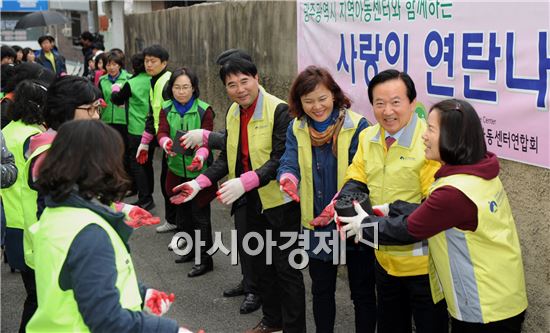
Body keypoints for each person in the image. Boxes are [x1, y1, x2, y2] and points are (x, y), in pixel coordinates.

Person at [338, 98, 528, 333]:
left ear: (452, 137)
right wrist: (391, 208)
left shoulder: (454, 192)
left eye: (431, 129)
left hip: (484, 306)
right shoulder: (477, 171)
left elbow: (409, 229)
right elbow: (433, 214)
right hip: (502, 294)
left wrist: (362, 226)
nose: (424, 136)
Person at [171, 54, 306, 332]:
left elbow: (281, 159)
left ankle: (294, 328)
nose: (240, 89)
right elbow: (227, 159)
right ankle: (272, 322)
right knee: (260, 266)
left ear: (257, 79)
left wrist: (246, 182)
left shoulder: (279, 110)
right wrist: (198, 184)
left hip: (280, 203)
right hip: (248, 201)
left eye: (245, 81)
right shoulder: (234, 112)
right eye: (232, 84)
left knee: (286, 271)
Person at [26, 119, 186, 332]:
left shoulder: (56, 213)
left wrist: (141, 294)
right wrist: (172, 330)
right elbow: (107, 321)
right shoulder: (90, 232)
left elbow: (80, 279)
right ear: (99, 165)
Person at [332, 69, 448, 333]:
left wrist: (369, 225)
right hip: (384, 262)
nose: (388, 111)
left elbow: (432, 210)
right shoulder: (368, 137)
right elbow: (357, 175)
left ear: (413, 103)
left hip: (425, 267)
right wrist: (345, 200)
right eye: (379, 103)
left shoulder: (428, 145)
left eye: (396, 102)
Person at [277, 66, 374, 333]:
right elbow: (289, 160)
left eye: (322, 99)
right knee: (321, 290)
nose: (316, 106)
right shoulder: (297, 127)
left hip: (354, 221)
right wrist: (288, 178)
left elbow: (363, 175)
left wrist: (339, 204)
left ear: (334, 95)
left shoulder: (358, 126)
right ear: (299, 102)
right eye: (308, 101)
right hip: (317, 220)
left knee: (362, 292)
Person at [157, 67, 217, 276]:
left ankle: (205, 259)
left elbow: (207, 139)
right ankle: (189, 250)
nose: (181, 92)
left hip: (199, 173)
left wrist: (200, 156)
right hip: (175, 170)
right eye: (177, 87)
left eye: (186, 87)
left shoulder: (204, 110)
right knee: (183, 215)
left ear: (194, 88)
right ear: (171, 88)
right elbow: (162, 131)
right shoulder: (165, 108)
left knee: (200, 217)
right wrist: (165, 143)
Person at [2, 79, 49, 332]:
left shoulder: (7, 130)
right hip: (29, 223)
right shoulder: (35, 137)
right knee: (38, 296)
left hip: (10, 221)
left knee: (32, 292)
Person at [137, 45, 176, 233]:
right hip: (163, 139)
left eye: (153, 61)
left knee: (170, 182)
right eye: (146, 61)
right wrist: (145, 142)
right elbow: (153, 114)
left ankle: (177, 222)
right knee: (167, 181)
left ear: (164, 63)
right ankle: (174, 220)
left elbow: (171, 114)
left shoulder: (167, 82)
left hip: (172, 141)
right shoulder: (155, 81)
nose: (149, 65)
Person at [111, 53, 155, 210]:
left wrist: (115, 89)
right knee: (148, 163)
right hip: (152, 129)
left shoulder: (132, 83)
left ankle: (145, 198)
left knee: (137, 164)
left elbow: (117, 100)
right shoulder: (154, 80)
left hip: (137, 130)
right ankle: (148, 193)